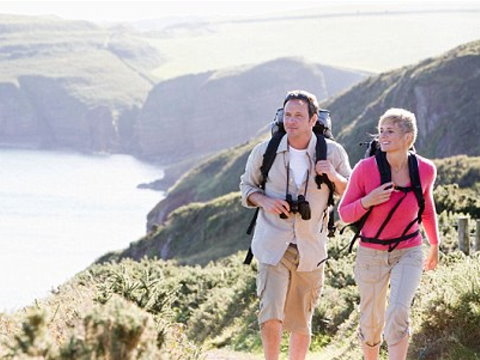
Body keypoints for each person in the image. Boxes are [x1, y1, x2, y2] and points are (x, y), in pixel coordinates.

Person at [240, 90, 352, 360]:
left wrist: (333, 175)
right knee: (271, 314)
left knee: (301, 320)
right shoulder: (265, 150)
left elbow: (349, 192)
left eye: (299, 116)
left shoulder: (332, 152)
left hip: (311, 247)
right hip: (272, 244)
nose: (291, 121)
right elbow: (246, 187)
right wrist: (264, 201)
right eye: (287, 115)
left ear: (313, 119)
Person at [338, 108, 440, 360]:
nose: (382, 136)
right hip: (371, 253)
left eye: (390, 131)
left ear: (408, 137)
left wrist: (435, 244)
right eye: (381, 130)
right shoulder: (365, 169)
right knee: (371, 320)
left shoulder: (425, 170)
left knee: (398, 311)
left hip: (409, 250)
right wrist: (368, 201)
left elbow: (426, 207)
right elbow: (344, 213)